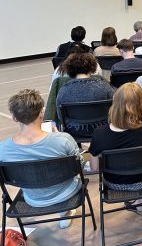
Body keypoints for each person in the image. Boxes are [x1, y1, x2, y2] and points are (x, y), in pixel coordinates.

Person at [0, 89, 83, 228]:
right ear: (41, 113)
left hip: (33, 198)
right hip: (66, 193)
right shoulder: (63, 140)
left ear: (14, 118)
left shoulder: (3, 149)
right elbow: (80, 165)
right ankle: (65, 212)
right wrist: (58, 136)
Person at [88, 83, 142, 213]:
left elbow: (94, 168)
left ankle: (136, 203)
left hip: (114, 183)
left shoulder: (99, 134)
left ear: (115, 104)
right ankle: (140, 205)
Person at [55, 53, 114, 134]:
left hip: (74, 131)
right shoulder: (105, 87)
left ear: (69, 69)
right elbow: (114, 108)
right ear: (92, 67)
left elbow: (60, 116)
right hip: (103, 129)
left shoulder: (63, 91)